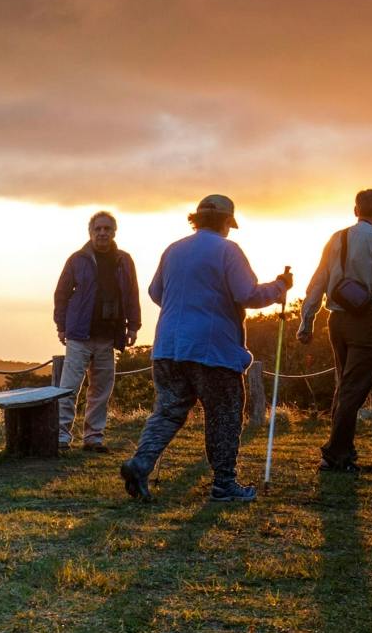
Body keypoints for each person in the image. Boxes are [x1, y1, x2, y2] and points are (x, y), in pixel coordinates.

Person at [119, 195, 291, 503]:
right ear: (226, 222)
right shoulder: (227, 250)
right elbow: (247, 294)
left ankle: (141, 463)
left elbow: (156, 292)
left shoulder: (174, 249)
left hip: (168, 346)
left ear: (196, 219)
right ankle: (224, 484)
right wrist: (279, 287)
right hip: (213, 350)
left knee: (169, 410)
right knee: (224, 414)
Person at [296, 188, 372, 472]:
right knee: (352, 390)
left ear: (355, 210)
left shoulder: (336, 237)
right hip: (365, 322)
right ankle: (336, 455)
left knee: (345, 387)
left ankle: (341, 451)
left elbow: (318, 281)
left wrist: (307, 320)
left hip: (336, 321)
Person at [52, 210, 141, 452]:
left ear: (114, 232)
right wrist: (61, 326)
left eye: (107, 229)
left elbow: (132, 294)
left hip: (108, 336)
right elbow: (61, 294)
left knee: (101, 390)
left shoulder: (124, 260)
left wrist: (133, 325)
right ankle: (61, 437)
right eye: (98, 229)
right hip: (79, 334)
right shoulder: (77, 259)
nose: (102, 233)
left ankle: (93, 439)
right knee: (69, 388)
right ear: (90, 232)